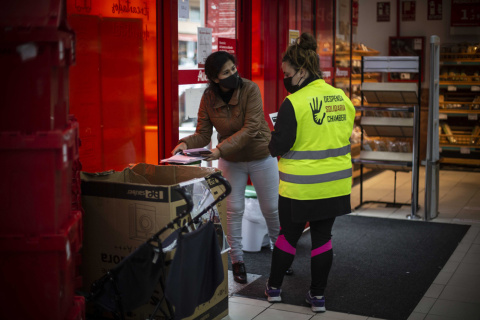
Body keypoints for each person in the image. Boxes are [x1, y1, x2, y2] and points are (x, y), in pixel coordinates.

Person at [171, 51, 280, 284]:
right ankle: (237, 260)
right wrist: (184, 143)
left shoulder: (250, 89)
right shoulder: (209, 98)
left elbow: (251, 129)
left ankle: (280, 256)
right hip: (231, 159)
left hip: (261, 155)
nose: (233, 74)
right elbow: (203, 134)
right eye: (226, 72)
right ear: (215, 78)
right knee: (233, 210)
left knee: (271, 208)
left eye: (233, 69)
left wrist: (219, 150)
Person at [265, 33, 355, 312]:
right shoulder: (341, 97)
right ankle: (317, 297)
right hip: (335, 185)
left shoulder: (295, 103)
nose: (285, 78)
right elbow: (342, 133)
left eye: (287, 73)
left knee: (288, 236)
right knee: (323, 239)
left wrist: (271, 137)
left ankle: (274, 289)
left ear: (301, 71)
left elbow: (278, 146)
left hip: (300, 187)